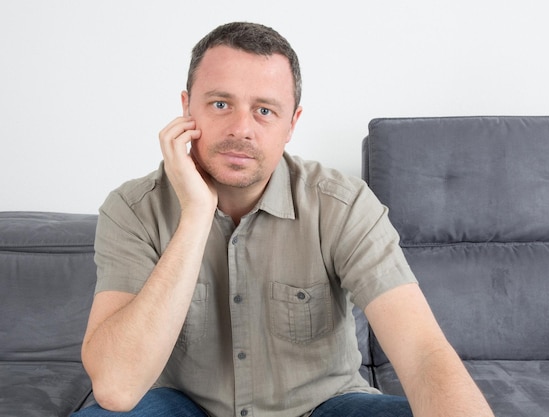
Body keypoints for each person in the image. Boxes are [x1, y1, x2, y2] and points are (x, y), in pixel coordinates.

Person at [75, 22, 494, 417]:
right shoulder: (132, 208)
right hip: (185, 405)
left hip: (322, 407)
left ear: (292, 123)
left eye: (264, 111)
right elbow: (117, 386)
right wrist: (197, 215)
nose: (241, 128)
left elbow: (422, 351)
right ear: (187, 108)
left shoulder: (342, 206)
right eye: (220, 104)